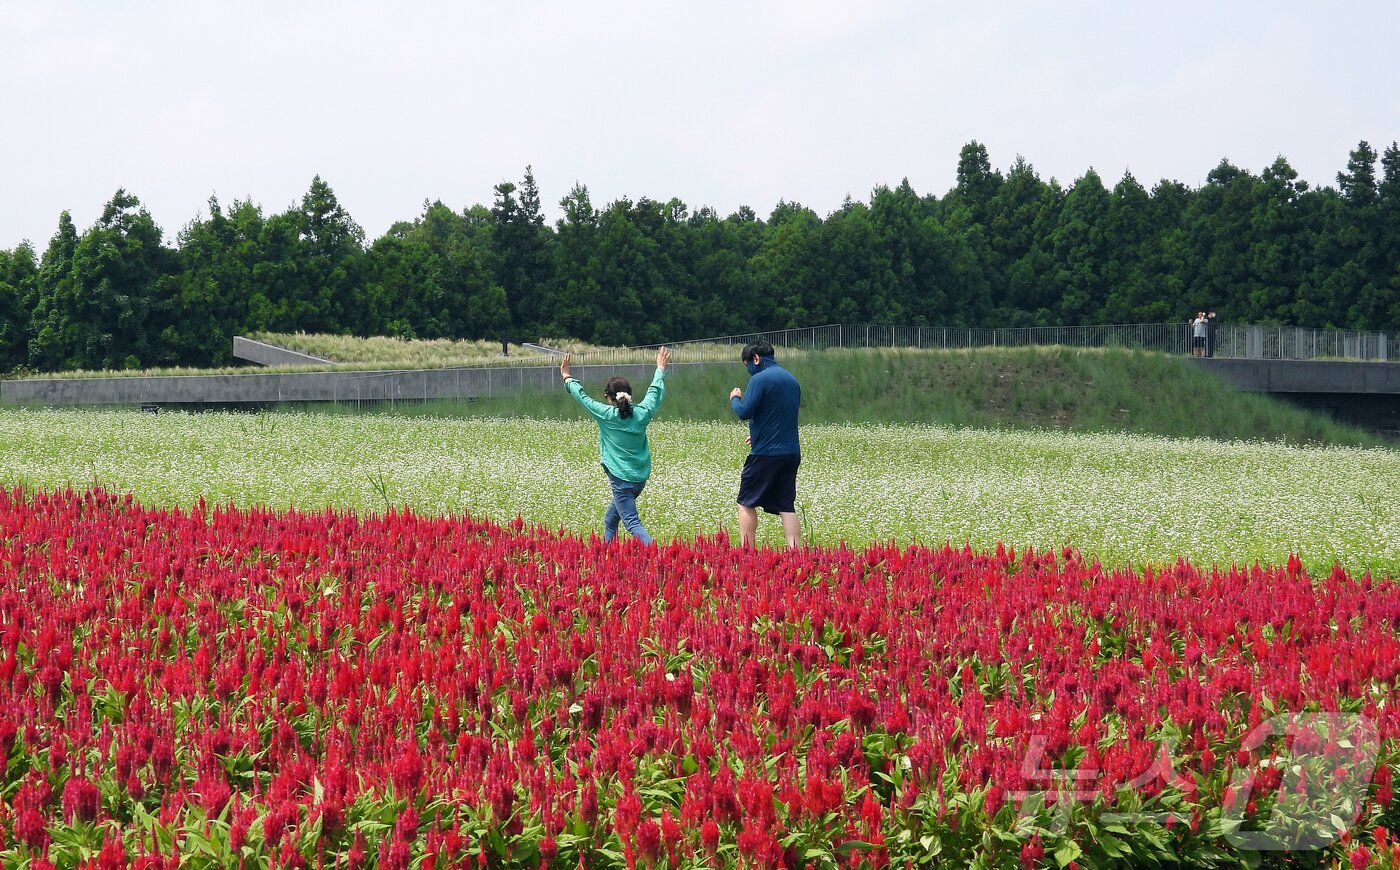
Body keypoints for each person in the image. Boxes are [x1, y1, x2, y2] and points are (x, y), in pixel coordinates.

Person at [561, 346, 670, 545]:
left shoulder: (606, 415)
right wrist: (660, 369)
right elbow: (654, 392)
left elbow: (583, 398)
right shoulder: (642, 412)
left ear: (608, 397)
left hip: (621, 480)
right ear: (630, 395)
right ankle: (607, 554)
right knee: (611, 519)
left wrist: (567, 376)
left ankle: (656, 554)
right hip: (639, 480)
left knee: (631, 522)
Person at [728, 341, 802, 548]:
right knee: (786, 506)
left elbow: (744, 411)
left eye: (747, 364)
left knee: (745, 502)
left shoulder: (760, 379)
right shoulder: (791, 380)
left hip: (766, 454)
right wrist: (759, 434)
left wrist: (735, 398)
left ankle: (747, 552)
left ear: (756, 359)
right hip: (791, 453)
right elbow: (780, 416)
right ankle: (796, 552)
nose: (749, 370)